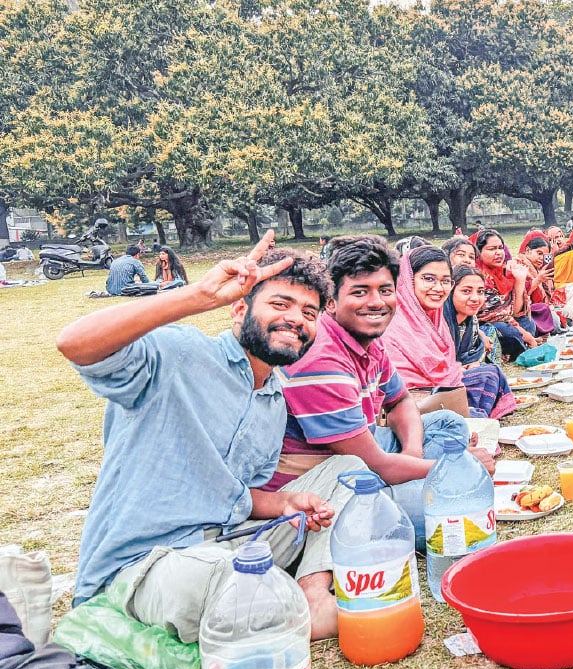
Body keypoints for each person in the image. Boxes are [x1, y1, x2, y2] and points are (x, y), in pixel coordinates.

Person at [59, 232, 356, 640]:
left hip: (228, 542)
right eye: (280, 304)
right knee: (230, 581)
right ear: (238, 310)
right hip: (148, 566)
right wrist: (197, 295)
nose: (296, 319)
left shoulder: (274, 400)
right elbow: (74, 344)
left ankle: (311, 592)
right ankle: (281, 605)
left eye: (309, 312)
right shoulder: (180, 354)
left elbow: (232, 496)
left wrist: (287, 502)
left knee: (347, 470)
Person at [272, 235, 494, 547]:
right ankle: (434, 490)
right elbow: (375, 465)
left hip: (370, 449)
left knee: (449, 423)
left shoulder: (371, 340)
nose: (376, 302)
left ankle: (433, 482)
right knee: (445, 516)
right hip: (330, 481)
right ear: (331, 300)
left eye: (385, 290)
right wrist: (456, 468)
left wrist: (413, 454)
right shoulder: (320, 357)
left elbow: (400, 400)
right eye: (360, 292)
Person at [382, 245, 470, 417]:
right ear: (408, 280)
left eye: (445, 281)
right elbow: (398, 390)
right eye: (429, 279)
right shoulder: (391, 325)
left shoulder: (435, 318)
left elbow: (448, 372)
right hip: (404, 412)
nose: (439, 288)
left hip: (440, 397)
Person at [446, 264, 517, 418]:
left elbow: (471, 357)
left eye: (480, 292)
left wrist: (470, 365)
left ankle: (474, 412)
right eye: (466, 291)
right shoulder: (440, 322)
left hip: (458, 376)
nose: (475, 298)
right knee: (488, 373)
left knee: (490, 372)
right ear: (450, 292)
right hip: (436, 385)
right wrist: (461, 368)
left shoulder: (471, 322)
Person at [474, 229, 536, 359]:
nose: (498, 253)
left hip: (507, 321)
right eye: (491, 249)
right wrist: (527, 337)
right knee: (508, 330)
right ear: (478, 252)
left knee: (528, 323)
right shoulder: (478, 276)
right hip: (484, 325)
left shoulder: (503, 273)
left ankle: (514, 347)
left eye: (500, 248)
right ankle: (516, 345)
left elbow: (515, 312)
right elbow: (495, 315)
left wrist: (519, 281)